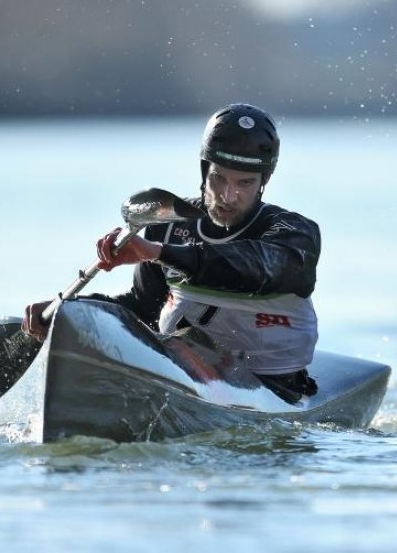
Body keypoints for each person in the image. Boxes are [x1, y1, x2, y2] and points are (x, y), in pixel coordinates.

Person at [22, 103, 321, 401]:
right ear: (204, 169)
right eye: (219, 178)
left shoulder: (295, 234)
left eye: (245, 183)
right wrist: (69, 312)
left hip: (276, 388)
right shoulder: (166, 226)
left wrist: (159, 252)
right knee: (175, 341)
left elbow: (252, 266)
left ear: (264, 181)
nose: (229, 196)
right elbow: (143, 309)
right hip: (192, 371)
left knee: (183, 343)